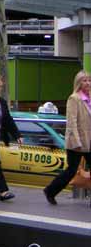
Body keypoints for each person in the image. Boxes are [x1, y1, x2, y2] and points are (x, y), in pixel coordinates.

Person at [43, 70, 91, 205]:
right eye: (84, 80)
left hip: (89, 141)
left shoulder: (89, 98)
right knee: (71, 170)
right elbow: (72, 121)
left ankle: (50, 191)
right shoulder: (74, 98)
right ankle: (50, 190)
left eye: (89, 80)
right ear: (78, 83)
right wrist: (77, 141)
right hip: (78, 142)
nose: (87, 83)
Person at [0, 73, 20, 201]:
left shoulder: (1, 102)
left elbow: (8, 120)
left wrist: (17, 134)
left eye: (0, 87)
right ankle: (2, 191)